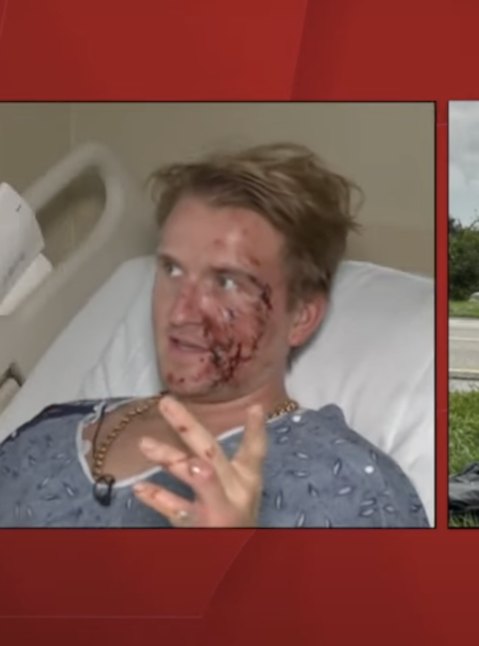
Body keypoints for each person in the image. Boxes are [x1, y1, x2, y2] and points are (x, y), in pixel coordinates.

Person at [0, 143, 429, 528]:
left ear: (300, 317)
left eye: (227, 281)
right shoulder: (52, 430)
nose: (182, 309)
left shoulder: (345, 486)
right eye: (171, 269)